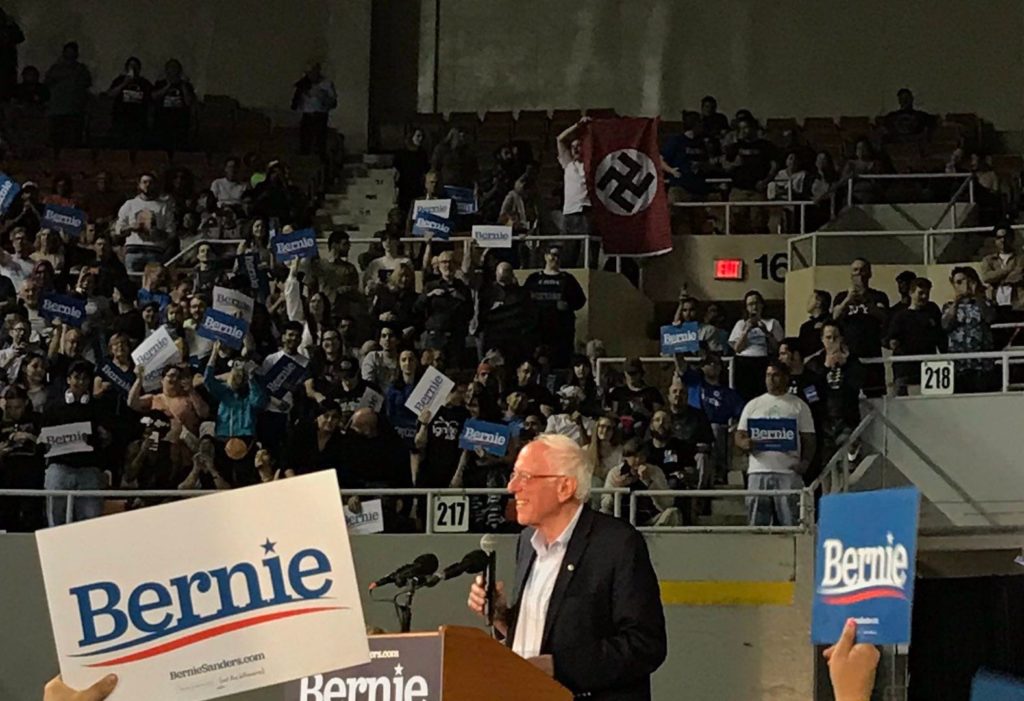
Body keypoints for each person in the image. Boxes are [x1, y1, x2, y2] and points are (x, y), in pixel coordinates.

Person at [466, 434, 667, 700]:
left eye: (525, 477)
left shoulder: (616, 544)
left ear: (564, 487)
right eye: (514, 475)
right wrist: (503, 618)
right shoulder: (527, 542)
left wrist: (559, 667)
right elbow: (547, 630)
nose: (512, 487)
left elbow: (645, 645)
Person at [735, 360, 816, 527]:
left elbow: (809, 438)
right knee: (757, 523)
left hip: (788, 472)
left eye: (775, 375)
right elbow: (740, 434)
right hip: (758, 471)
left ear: (786, 377)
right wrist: (745, 443)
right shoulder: (753, 405)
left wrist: (805, 463)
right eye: (768, 375)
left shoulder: (799, 406)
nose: (770, 379)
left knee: (792, 522)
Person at [42, 361, 108, 527]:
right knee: (56, 518)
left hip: (89, 469)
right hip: (59, 467)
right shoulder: (53, 406)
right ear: (68, 379)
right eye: (77, 378)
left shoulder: (98, 407)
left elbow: (105, 439)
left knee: (91, 521)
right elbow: (44, 436)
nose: (80, 382)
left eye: (85, 379)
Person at [832, 258, 889, 397]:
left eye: (863, 270)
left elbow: (885, 317)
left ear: (869, 273)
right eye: (856, 270)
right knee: (848, 395)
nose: (859, 274)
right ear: (851, 274)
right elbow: (834, 317)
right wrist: (848, 300)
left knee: (875, 396)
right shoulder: (841, 297)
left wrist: (867, 301)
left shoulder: (879, 296)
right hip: (849, 356)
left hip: (872, 354)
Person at [523, 244, 587, 368]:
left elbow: (581, 300)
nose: (555, 258)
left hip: (561, 335)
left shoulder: (568, 279)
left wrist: (568, 305)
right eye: (553, 255)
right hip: (537, 335)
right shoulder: (533, 279)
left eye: (558, 256)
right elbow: (524, 302)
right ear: (546, 256)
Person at [601, 438, 682, 526]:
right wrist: (616, 490)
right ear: (626, 457)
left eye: (642, 456)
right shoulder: (615, 473)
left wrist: (649, 482)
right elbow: (605, 505)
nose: (638, 460)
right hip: (621, 521)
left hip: (650, 520)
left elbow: (667, 503)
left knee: (673, 513)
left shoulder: (655, 471)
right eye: (634, 456)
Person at [942, 266, 996, 393]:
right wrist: (956, 302)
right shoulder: (948, 306)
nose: (960, 286)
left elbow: (990, 318)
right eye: (957, 282)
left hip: (981, 365)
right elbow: (945, 325)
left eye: (963, 281)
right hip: (958, 366)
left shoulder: (985, 303)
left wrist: (977, 295)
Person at [886, 278, 943, 394]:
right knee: (900, 402)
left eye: (927, 294)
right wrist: (892, 343)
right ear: (911, 293)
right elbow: (889, 338)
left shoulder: (933, 311)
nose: (924, 297)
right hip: (904, 368)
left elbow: (940, 336)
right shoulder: (900, 316)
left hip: (928, 367)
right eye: (920, 293)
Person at [729, 290, 784, 401]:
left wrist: (766, 332)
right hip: (744, 361)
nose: (754, 306)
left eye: (756, 303)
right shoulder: (740, 324)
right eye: (750, 304)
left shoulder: (772, 322)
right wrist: (746, 331)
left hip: (763, 360)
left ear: (762, 304)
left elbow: (777, 347)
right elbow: (737, 348)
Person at [724, 118, 777, 233]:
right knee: (737, 222)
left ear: (753, 129)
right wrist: (734, 164)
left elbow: (774, 166)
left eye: (746, 128)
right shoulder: (734, 147)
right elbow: (725, 166)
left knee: (758, 222)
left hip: (757, 191)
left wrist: (765, 181)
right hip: (738, 189)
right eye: (741, 128)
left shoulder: (765, 146)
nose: (743, 131)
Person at [555, 117, 591, 265]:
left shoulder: (590, 165)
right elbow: (560, 139)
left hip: (587, 212)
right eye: (573, 146)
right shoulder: (568, 164)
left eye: (579, 146)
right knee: (569, 254)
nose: (576, 149)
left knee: (589, 253)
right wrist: (577, 126)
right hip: (570, 213)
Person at [980, 224, 1024, 342]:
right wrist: (1008, 270)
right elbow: (986, 277)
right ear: (995, 240)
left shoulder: (1021, 258)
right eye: (999, 237)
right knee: (999, 340)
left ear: (1012, 238)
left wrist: (998, 277)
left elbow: (1019, 275)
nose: (1002, 240)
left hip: (1018, 305)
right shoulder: (989, 260)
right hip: (996, 305)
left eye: (1005, 237)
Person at [44, 42, 92, 148]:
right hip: (58, 109)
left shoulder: (81, 69)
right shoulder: (55, 69)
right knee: (57, 140)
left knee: (74, 140)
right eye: (68, 52)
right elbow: (47, 83)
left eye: (72, 52)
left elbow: (86, 84)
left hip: (75, 109)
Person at [291, 62, 337, 156]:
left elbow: (333, 102)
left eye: (312, 72)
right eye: (308, 73)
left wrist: (322, 97)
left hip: (320, 115)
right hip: (307, 115)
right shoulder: (303, 83)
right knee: (305, 141)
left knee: (320, 142)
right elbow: (295, 102)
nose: (311, 75)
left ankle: (319, 160)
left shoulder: (326, 84)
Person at [106, 56, 152, 149]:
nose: (133, 69)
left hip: (138, 122)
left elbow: (152, 97)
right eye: (131, 66)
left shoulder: (144, 82)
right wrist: (124, 83)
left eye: (136, 66)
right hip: (121, 120)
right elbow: (110, 94)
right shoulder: (119, 80)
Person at [151, 59, 196, 151]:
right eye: (171, 67)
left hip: (180, 124)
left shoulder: (186, 85)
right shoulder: (160, 83)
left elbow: (189, 102)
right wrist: (168, 86)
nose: (173, 70)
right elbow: (154, 96)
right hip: (162, 124)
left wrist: (183, 85)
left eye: (175, 68)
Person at [798, 289, 832, 358]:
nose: (808, 302)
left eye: (811, 299)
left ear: (818, 303)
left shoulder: (830, 323)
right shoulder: (806, 326)